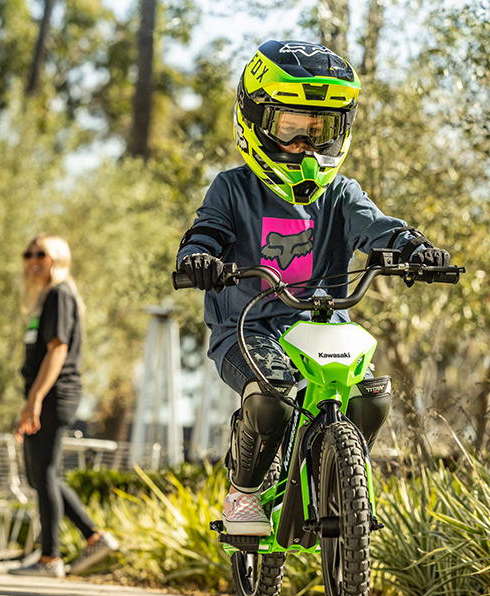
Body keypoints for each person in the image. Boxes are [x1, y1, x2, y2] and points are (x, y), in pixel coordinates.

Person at [176, 40, 452, 536]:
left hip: (323, 327)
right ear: (257, 122)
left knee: (372, 397)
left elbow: (377, 226)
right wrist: (199, 257)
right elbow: (208, 229)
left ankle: (339, 479)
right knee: (273, 397)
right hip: (248, 327)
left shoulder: (341, 192)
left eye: (318, 130)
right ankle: (245, 492)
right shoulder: (232, 188)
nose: (304, 146)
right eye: (290, 128)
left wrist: (414, 249)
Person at [9, 233, 119, 577]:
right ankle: (93, 536)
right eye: (28, 254)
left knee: (43, 472)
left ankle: (50, 558)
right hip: (46, 393)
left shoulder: (60, 294)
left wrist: (36, 400)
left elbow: (58, 351)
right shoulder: (48, 297)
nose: (32, 260)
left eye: (40, 253)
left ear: (57, 257)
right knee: (40, 474)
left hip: (55, 394)